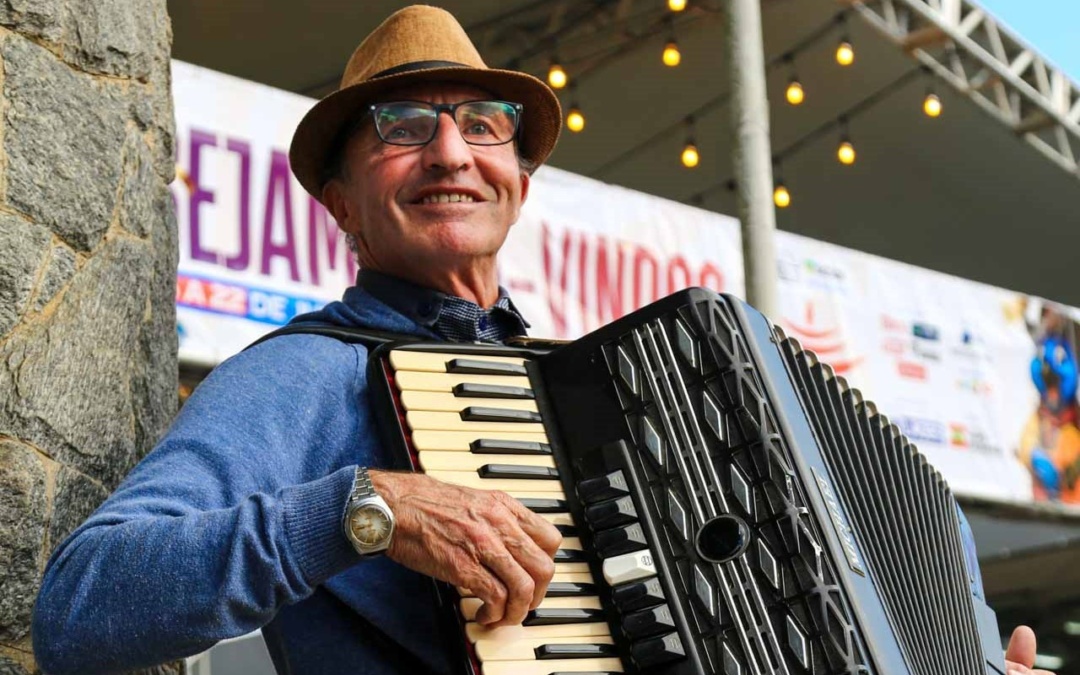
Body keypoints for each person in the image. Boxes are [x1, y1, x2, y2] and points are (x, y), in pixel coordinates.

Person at [31, 5, 1052, 675]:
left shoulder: (587, 388)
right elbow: (80, 605)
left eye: (482, 125)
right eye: (401, 126)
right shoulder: (310, 375)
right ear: (340, 202)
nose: (449, 151)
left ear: (517, 180)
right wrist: (363, 508)